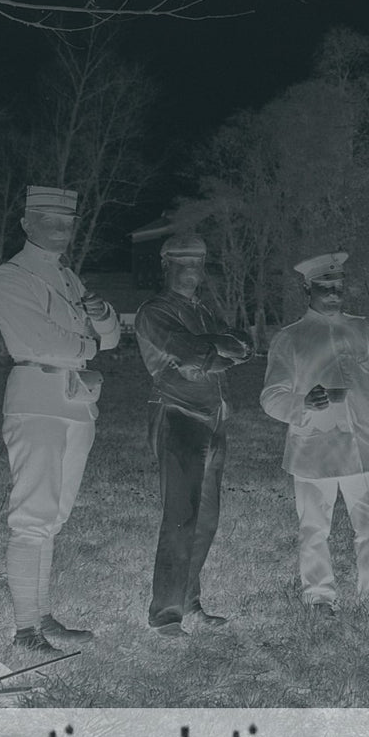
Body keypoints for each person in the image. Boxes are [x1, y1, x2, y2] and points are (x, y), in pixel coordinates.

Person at [0, 185, 120, 655]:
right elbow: (35, 341)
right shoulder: (14, 276)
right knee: (32, 517)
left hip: (76, 403)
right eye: (50, 222)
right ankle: (26, 630)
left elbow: (110, 337)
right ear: (27, 224)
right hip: (37, 398)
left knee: (54, 516)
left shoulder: (68, 277)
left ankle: (42, 616)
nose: (61, 231)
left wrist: (101, 317)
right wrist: (87, 344)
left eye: (67, 224)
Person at [260, 252, 369, 618]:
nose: (333, 293)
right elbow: (271, 398)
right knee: (315, 527)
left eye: (338, 286)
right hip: (314, 450)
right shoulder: (290, 339)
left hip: (362, 446)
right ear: (308, 288)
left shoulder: (361, 329)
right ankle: (319, 596)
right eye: (324, 286)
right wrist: (303, 403)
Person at [134, 233, 254, 637]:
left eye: (197, 266)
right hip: (178, 413)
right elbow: (191, 352)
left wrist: (213, 353)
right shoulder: (154, 310)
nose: (191, 274)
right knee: (181, 517)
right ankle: (166, 614)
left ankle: (189, 601)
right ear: (165, 266)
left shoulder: (201, 311)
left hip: (213, 414)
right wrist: (213, 353)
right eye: (182, 266)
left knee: (206, 519)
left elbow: (241, 347)